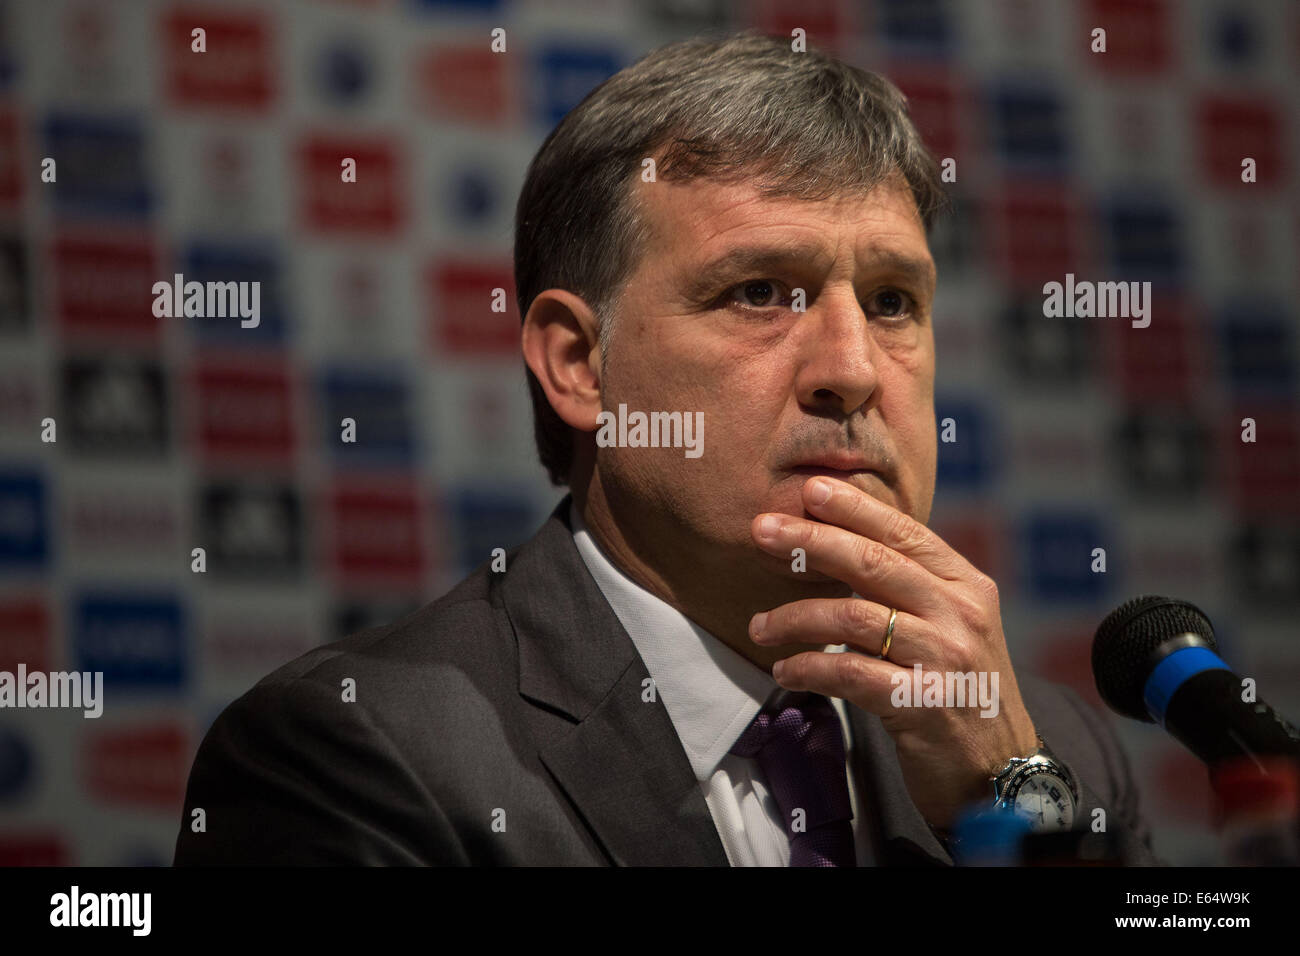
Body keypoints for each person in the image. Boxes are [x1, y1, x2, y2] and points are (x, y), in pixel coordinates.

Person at [174, 31, 1159, 866]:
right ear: (579, 364)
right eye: (762, 291)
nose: (853, 369)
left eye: (893, 300)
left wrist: (1006, 812)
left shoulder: (1055, 755)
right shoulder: (358, 751)